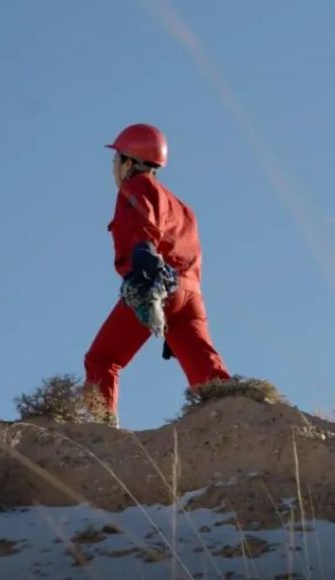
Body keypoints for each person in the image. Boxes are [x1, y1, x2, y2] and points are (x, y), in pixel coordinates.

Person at [84, 123, 231, 426]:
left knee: (102, 359)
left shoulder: (136, 186)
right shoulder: (182, 207)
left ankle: (99, 430)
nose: (113, 167)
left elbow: (143, 231)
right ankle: (236, 415)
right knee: (207, 374)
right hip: (191, 296)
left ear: (128, 161)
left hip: (158, 284)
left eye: (115, 159)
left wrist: (146, 283)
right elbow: (190, 255)